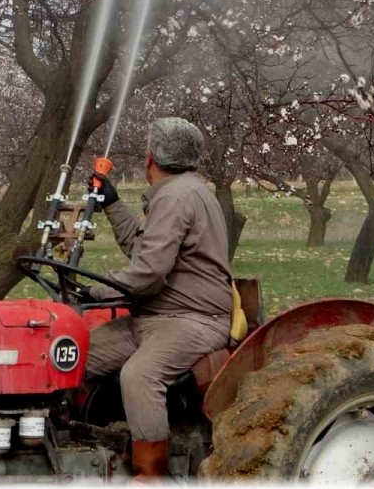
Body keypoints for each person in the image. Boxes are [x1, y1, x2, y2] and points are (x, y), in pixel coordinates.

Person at [84, 117, 234, 479]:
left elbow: (148, 274)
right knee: (71, 356)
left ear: (150, 157)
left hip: (193, 318)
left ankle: (151, 476)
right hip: (155, 316)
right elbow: (145, 247)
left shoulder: (177, 196)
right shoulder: (182, 191)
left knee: (140, 375)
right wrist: (113, 203)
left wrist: (96, 290)